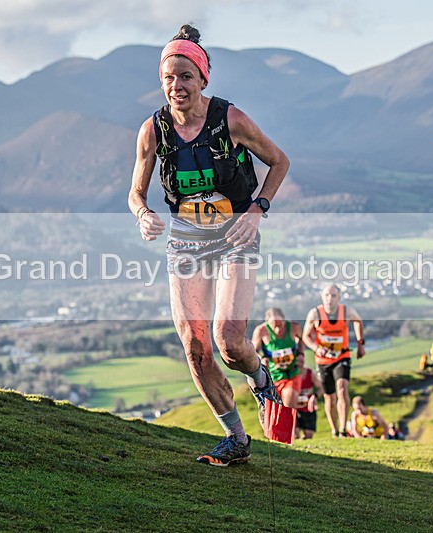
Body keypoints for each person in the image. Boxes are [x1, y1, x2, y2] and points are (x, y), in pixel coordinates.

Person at [128, 24, 290, 466]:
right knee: (195, 346)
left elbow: (279, 161)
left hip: (236, 234)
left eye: (185, 76)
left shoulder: (229, 120)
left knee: (229, 340)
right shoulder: (153, 130)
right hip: (186, 241)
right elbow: (135, 193)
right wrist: (143, 215)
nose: (176, 86)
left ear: (203, 79)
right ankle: (236, 440)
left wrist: (257, 210)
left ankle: (260, 379)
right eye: (168, 78)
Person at [302, 284, 365, 437]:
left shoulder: (346, 311)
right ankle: (335, 430)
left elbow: (358, 321)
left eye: (333, 295)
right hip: (323, 360)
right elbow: (305, 337)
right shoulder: (315, 314)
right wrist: (317, 348)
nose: (330, 299)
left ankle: (343, 429)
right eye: (327, 295)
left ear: (339, 297)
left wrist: (360, 343)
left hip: (341, 357)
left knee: (342, 388)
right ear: (322, 297)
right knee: (329, 397)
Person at [252, 307, 304, 408]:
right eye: (274, 326)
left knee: (289, 406)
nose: (278, 329)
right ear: (267, 323)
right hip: (273, 377)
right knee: (275, 411)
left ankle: (292, 422)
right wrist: (262, 358)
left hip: (292, 374)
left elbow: (301, 339)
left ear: (284, 319)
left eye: (280, 325)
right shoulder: (261, 331)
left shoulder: (294, 327)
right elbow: (254, 351)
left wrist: (301, 354)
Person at [295, 353, 322, 440]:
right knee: (294, 435)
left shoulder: (310, 373)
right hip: (294, 408)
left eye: (302, 360)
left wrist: (315, 396)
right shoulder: (290, 375)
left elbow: (320, 388)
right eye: (298, 361)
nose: (300, 363)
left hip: (308, 408)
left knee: (309, 436)